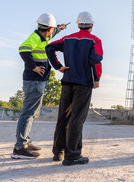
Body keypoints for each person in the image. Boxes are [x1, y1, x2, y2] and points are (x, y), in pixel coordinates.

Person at [45, 11, 103, 166]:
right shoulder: (94, 40)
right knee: (77, 119)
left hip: (67, 81)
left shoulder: (67, 39)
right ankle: (73, 156)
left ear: (78, 24)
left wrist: (58, 66)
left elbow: (49, 48)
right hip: (83, 83)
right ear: (91, 25)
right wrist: (96, 78)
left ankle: (58, 152)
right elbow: (96, 59)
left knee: (63, 117)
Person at [11, 13, 68, 159]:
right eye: (53, 29)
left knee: (31, 113)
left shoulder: (44, 36)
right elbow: (23, 49)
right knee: (28, 113)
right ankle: (19, 147)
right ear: (48, 28)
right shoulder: (35, 38)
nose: (53, 31)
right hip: (34, 80)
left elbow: (53, 32)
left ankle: (25, 141)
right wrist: (33, 67)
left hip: (38, 81)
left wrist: (60, 28)